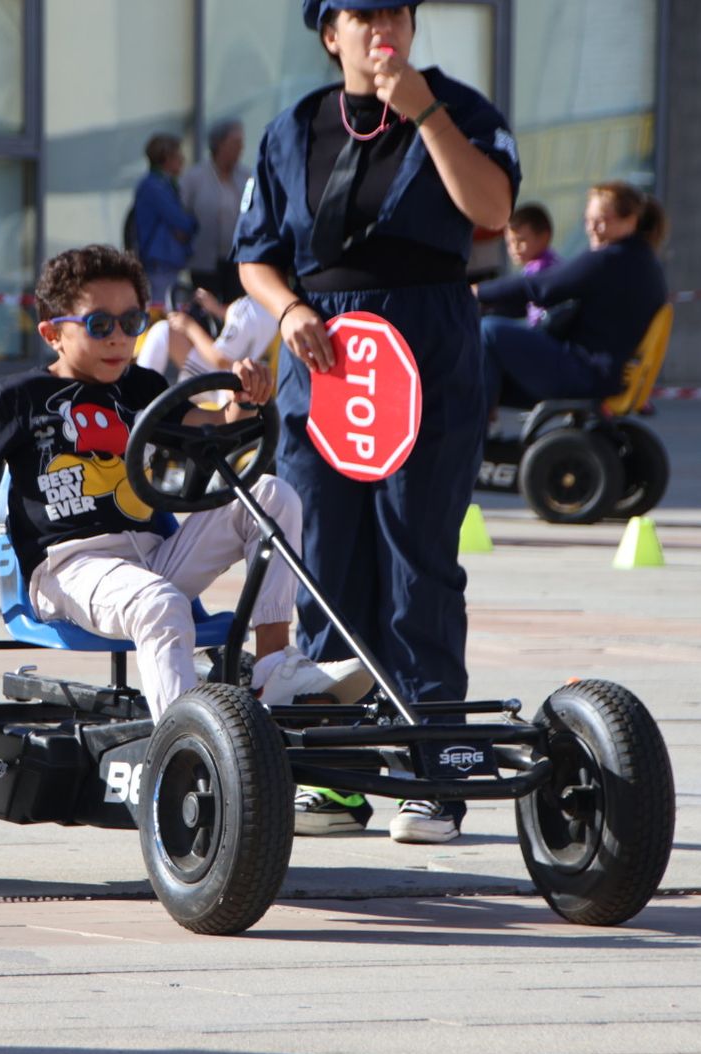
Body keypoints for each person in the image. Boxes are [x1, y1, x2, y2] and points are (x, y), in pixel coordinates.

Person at [234, 1, 519, 843]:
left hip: (425, 339)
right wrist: (286, 311)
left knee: (418, 559)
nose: (380, 24)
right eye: (361, 12)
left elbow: (493, 211)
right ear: (332, 34)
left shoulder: (463, 110)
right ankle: (337, 770)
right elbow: (256, 253)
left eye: (395, 9)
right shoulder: (295, 127)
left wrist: (422, 108)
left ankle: (433, 770)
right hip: (325, 352)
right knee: (322, 557)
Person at [0, 244, 372, 720]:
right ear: (52, 333)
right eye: (99, 325)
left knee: (271, 494)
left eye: (131, 322)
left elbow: (211, 428)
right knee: (160, 603)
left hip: (151, 558)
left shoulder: (142, 386)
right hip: (67, 568)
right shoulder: (19, 397)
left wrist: (245, 398)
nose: (118, 338)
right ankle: (181, 743)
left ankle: (272, 668)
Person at [476, 182, 668, 412]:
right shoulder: (645, 261)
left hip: (586, 373)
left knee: (489, 331)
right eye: (588, 220)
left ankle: (474, 438)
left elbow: (542, 288)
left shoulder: (609, 260)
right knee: (496, 354)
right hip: (604, 374)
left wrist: (478, 292)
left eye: (602, 220)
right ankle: (482, 431)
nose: (592, 228)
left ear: (630, 220)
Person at [136, 288, 279, 383]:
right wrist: (216, 309)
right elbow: (245, 320)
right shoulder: (279, 305)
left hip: (230, 388)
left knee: (162, 331)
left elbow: (219, 359)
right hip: (260, 385)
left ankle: (136, 403)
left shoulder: (248, 309)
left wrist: (189, 326)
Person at [179, 119, 251, 303]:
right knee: (205, 306)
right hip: (204, 259)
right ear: (220, 145)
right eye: (236, 143)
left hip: (237, 259)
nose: (241, 148)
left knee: (235, 306)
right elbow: (181, 213)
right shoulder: (195, 177)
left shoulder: (246, 176)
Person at [132, 134, 198, 309]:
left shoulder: (167, 184)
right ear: (166, 158)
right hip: (159, 263)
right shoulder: (154, 186)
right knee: (163, 311)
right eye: (178, 155)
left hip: (168, 262)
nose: (182, 159)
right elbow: (179, 220)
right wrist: (191, 224)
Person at [501, 202, 560, 326]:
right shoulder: (553, 261)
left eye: (521, 240)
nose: (515, 248)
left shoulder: (540, 268)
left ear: (544, 237)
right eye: (510, 243)